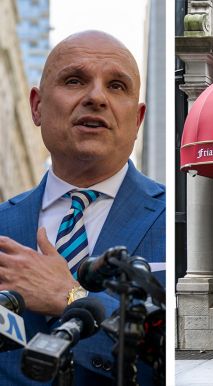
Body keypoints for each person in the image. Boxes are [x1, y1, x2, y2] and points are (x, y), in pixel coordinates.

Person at [0, 31, 165, 385]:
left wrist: (70, 297)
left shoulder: (173, 223)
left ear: (137, 120)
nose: (96, 97)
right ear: (37, 106)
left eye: (117, 86)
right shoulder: (3, 224)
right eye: (75, 80)